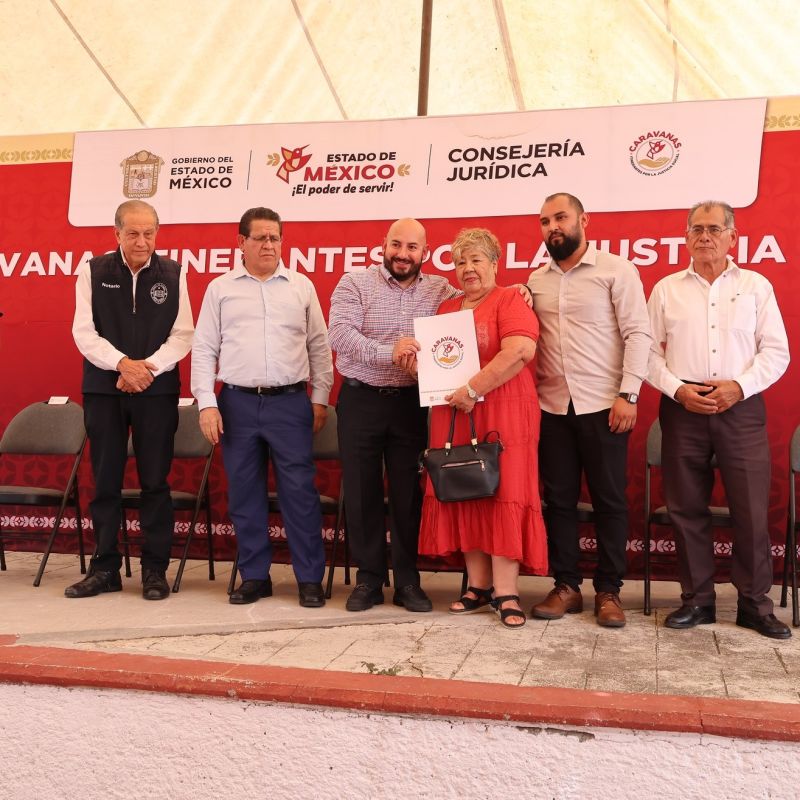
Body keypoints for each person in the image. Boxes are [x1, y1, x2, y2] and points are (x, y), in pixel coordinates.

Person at [647, 201, 791, 639]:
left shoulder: (755, 286)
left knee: (751, 510)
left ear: (732, 236)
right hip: (683, 407)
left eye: (713, 229)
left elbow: (776, 352)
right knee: (686, 509)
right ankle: (697, 601)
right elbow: (647, 353)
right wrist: (678, 390)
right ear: (686, 237)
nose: (704, 237)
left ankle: (754, 605)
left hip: (740, 406)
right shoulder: (666, 289)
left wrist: (739, 387)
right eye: (696, 229)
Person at [191, 207, 333, 608]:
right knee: (244, 494)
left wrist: (320, 398)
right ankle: (255, 576)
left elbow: (319, 346)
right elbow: (204, 349)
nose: (269, 245)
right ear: (242, 242)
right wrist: (206, 404)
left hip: (290, 403)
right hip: (236, 403)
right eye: (260, 238)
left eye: (275, 238)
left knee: (300, 494)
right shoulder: (220, 289)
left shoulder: (301, 287)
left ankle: (309, 579)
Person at [527, 192, 652, 628]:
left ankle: (609, 590)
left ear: (584, 221)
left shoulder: (617, 270)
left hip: (605, 404)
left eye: (560, 217)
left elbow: (638, 334)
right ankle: (566, 586)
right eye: (545, 222)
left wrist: (629, 394)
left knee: (609, 501)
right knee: (558, 501)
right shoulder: (536, 281)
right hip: (552, 407)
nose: (553, 227)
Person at [413, 228, 547, 629]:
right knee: (465, 490)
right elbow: (440, 363)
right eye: (460, 262)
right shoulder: (445, 309)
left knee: (504, 493)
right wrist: (415, 363)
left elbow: (520, 350)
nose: (468, 268)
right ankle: (478, 587)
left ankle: (507, 592)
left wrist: (474, 388)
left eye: (476, 260)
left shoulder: (510, 299)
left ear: (494, 263)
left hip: (504, 414)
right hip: (455, 413)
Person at [328, 218, 460, 612]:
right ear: (383, 245)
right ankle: (368, 580)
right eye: (396, 245)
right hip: (360, 400)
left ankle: (407, 581)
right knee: (361, 493)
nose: (403, 254)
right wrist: (391, 352)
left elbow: (478, 301)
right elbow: (340, 335)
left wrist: (518, 292)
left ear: (425, 252)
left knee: (407, 495)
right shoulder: (354, 283)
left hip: (410, 404)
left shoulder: (441, 290)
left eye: (412, 247)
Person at [68, 200, 194, 600]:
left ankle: (154, 570)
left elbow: (183, 334)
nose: (142, 242)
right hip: (104, 390)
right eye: (133, 233)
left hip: (156, 391)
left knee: (155, 482)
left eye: (149, 233)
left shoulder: (174, 272)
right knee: (105, 480)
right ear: (117, 234)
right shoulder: (93, 271)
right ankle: (105, 568)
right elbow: (84, 332)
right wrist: (122, 364)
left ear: (158, 233)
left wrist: (145, 370)